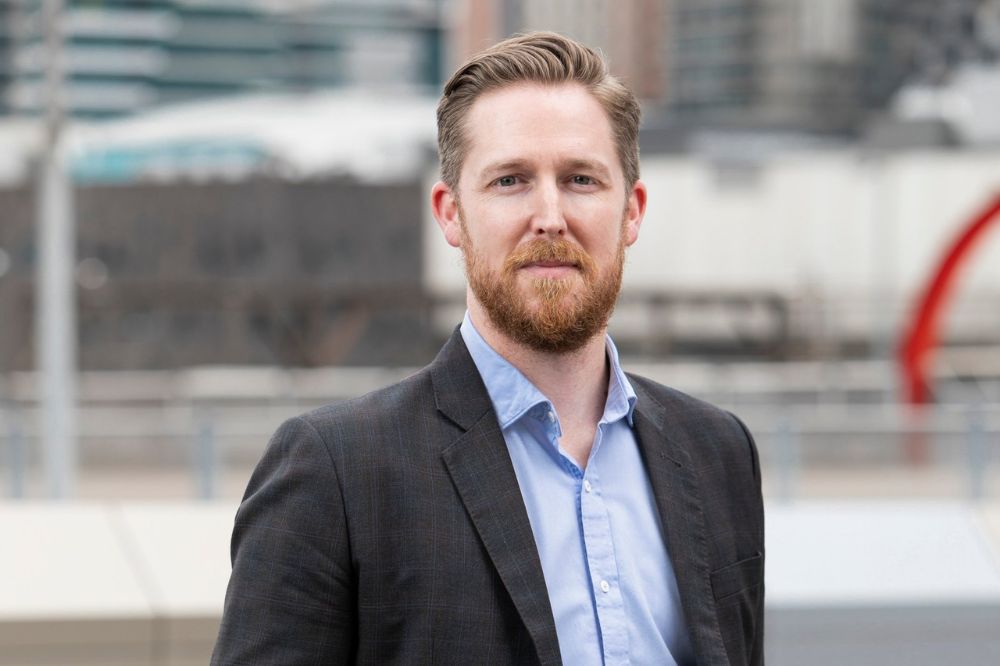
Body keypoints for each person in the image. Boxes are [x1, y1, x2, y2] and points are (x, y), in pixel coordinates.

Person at [211, 32, 764, 666]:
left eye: (581, 179)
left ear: (632, 211)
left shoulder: (719, 452)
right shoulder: (335, 472)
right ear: (451, 213)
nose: (550, 215)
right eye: (510, 180)